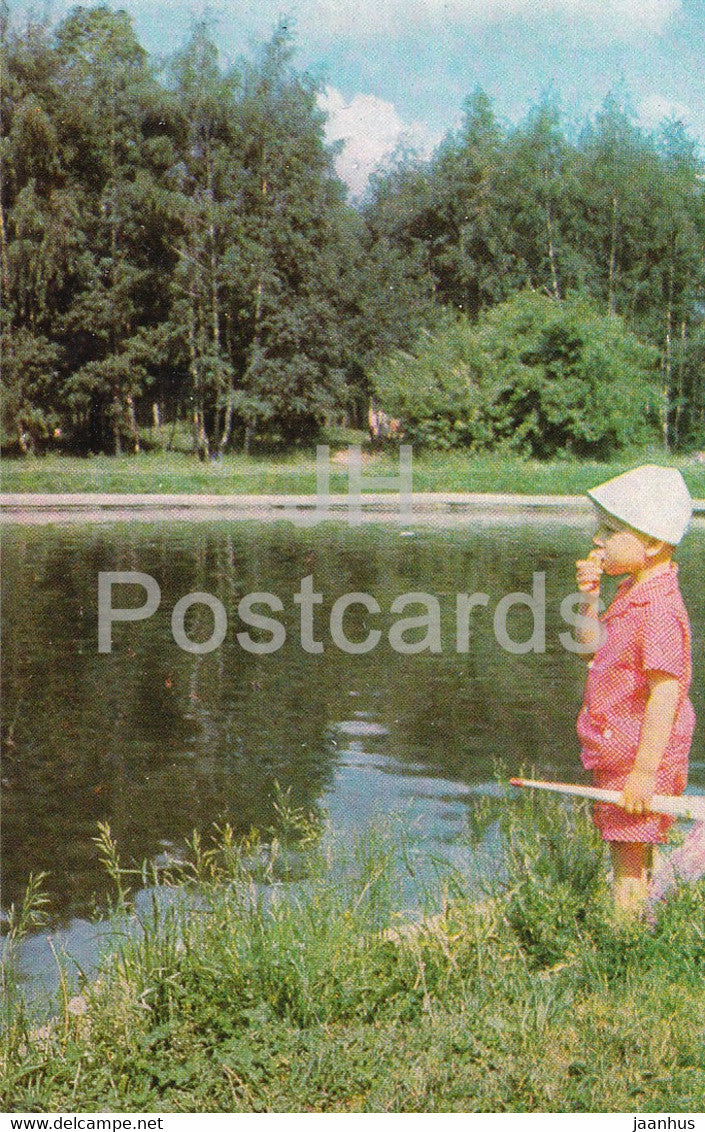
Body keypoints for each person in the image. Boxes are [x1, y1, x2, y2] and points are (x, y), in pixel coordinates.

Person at [574, 465, 695, 915]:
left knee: (627, 854)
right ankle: (647, 914)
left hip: (642, 758)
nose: (598, 541)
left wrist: (644, 774)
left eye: (610, 530)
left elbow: (667, 693)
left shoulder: (660, 609)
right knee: (628, 846)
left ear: (652, 544)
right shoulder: (631, 592)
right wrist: (589, 596)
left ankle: (623, 946)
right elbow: (588, 649)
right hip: (618, 751)